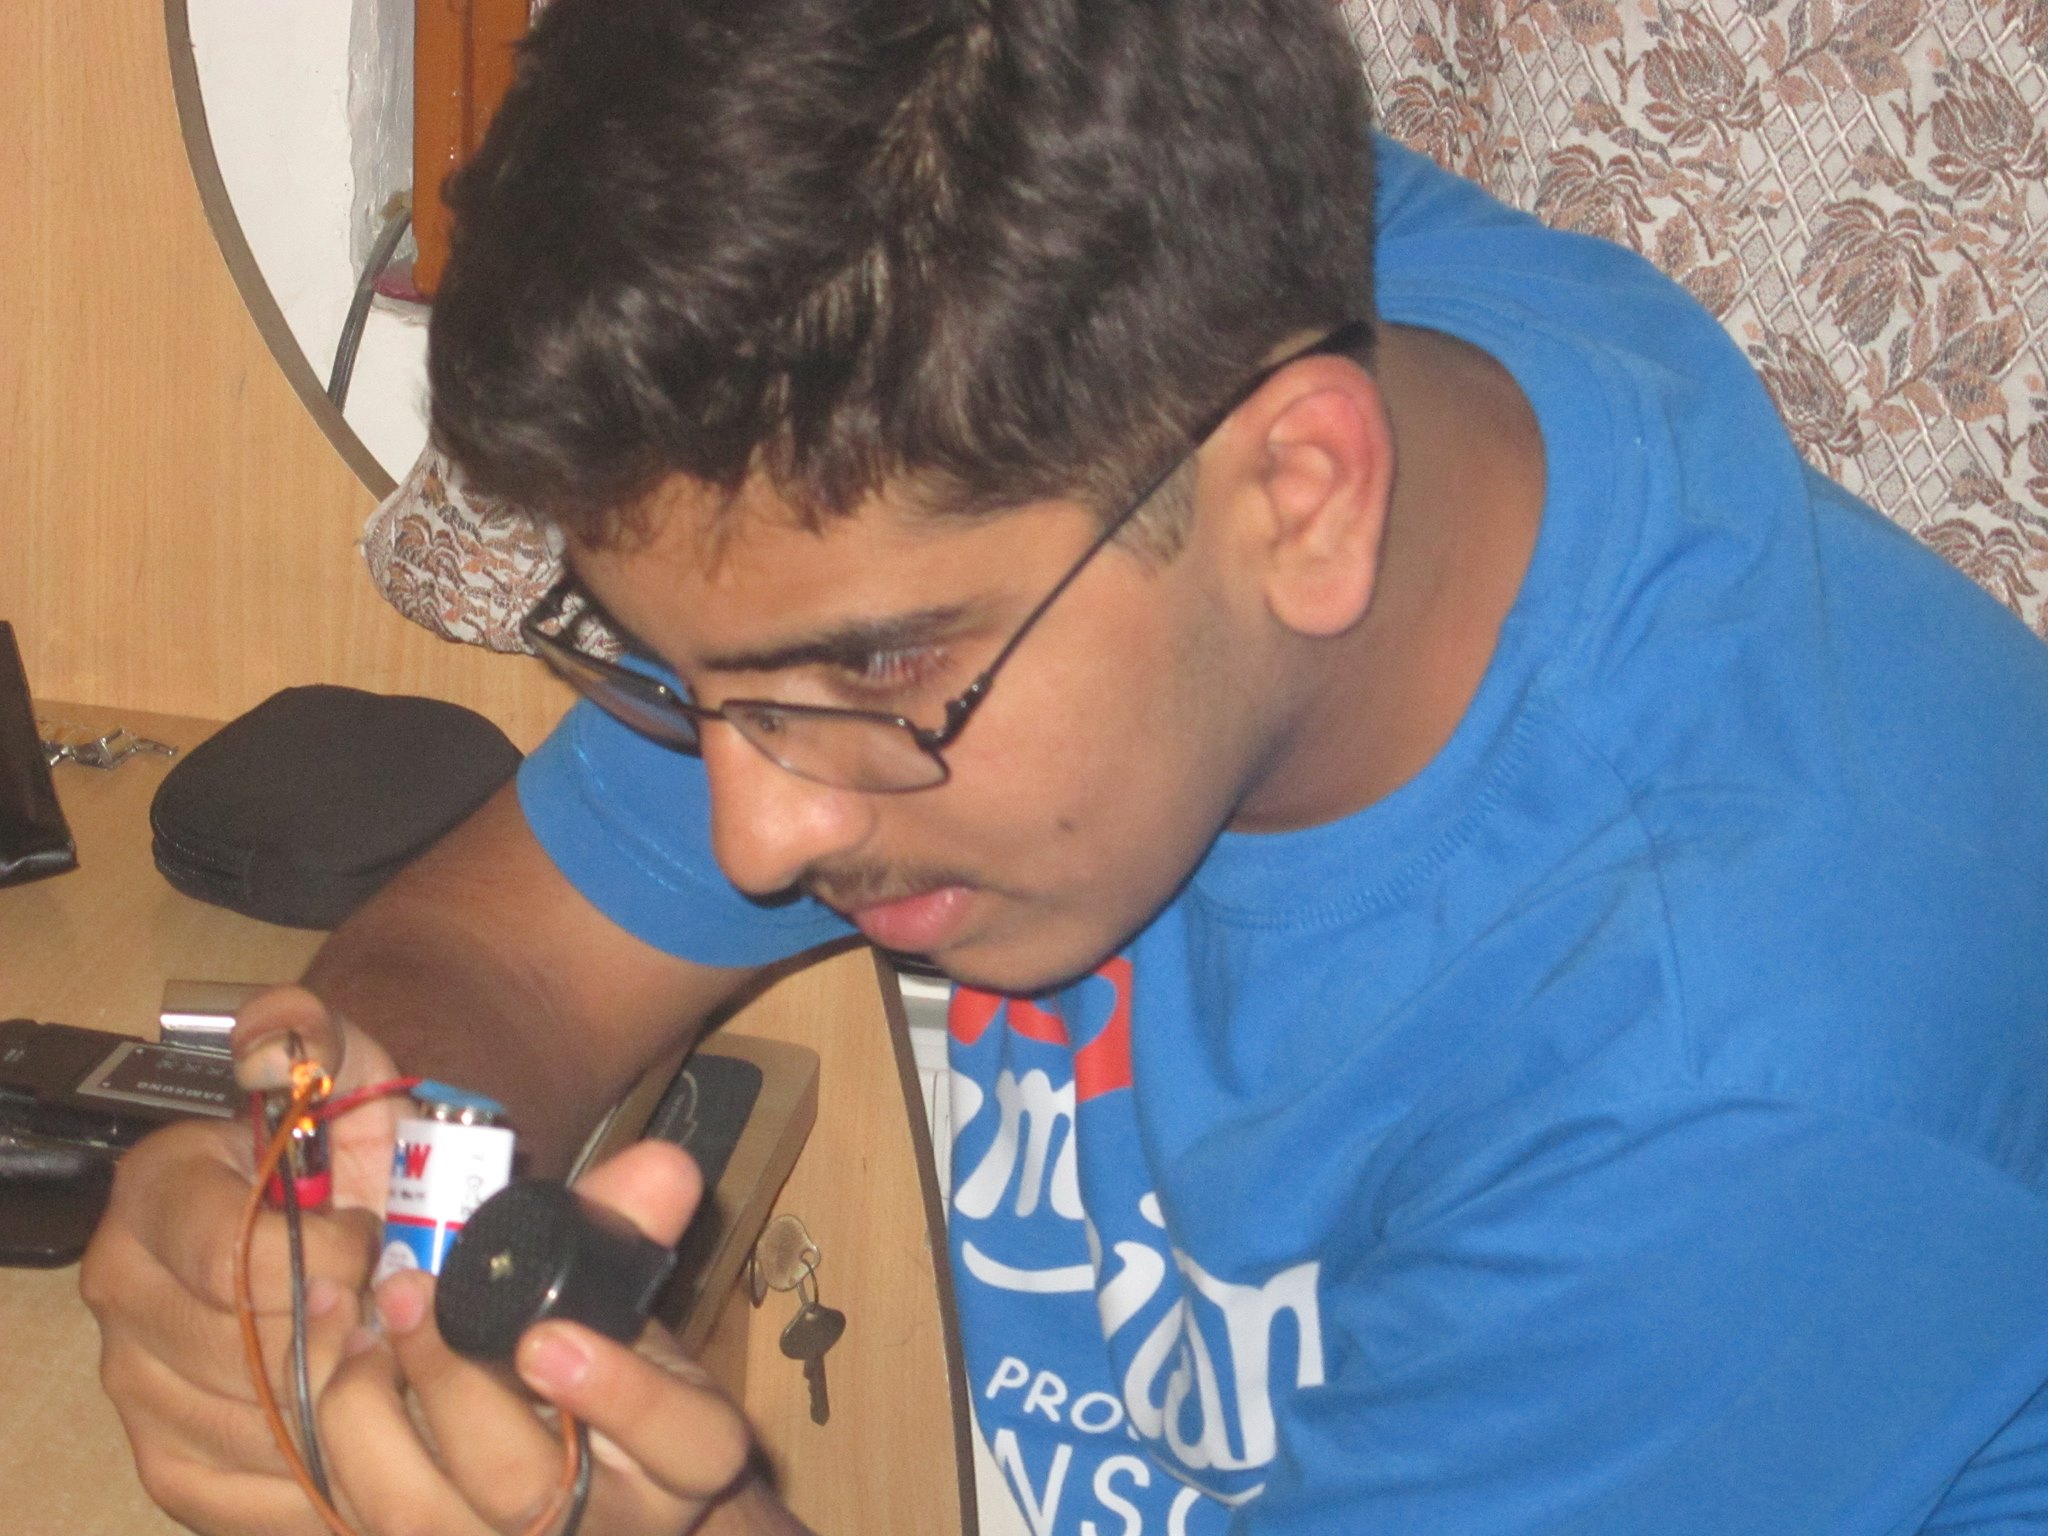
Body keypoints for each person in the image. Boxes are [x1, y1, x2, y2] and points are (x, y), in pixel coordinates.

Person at [80, 0, 2048, 1531]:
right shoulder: (1098, 337)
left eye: (865, 677)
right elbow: (509, 962)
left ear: (1305, 499)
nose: (757, 835)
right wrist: (335, 1189)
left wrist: (665, 1516)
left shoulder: (1739, 1077)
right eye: (691, 683)